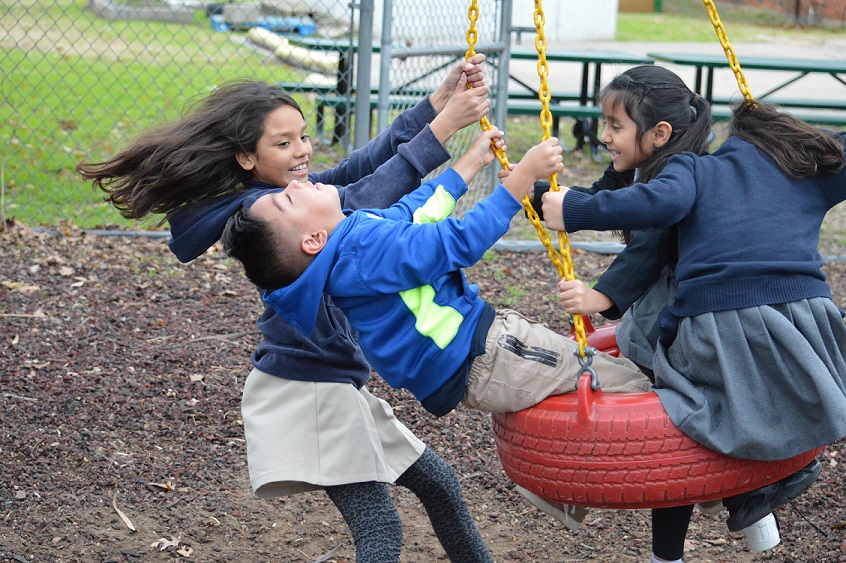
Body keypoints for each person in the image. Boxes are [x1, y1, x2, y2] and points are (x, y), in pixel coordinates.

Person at [78, 57, 501, 562]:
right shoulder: (262, 213)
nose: (301, 152)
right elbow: (366, 193)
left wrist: (436, 103)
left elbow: (359, 168)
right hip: (308, 391)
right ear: (245, 159)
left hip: (332, 383)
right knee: (381, 531)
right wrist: (446, 126)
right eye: (283, 144)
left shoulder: (288, 195)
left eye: (303, 136)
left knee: (440, 485)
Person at [542, 97, 846, 562]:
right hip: (806, 329)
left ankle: (732, 505)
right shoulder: (807, 169)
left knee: (681, 403)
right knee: (758, 392)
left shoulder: (695, 170)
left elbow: (655, 203)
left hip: (719, 326)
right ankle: (760, 488)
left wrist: (576, 209)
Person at [221, 129, 652, 425]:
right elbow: (457, 241)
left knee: (589, 372)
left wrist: (471, 162)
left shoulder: (352, 239)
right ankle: (686, 442)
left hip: (482, 348)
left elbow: (415, 211)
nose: (295, 185)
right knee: (619, 382)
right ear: (314, 239)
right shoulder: (360, 254)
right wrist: (523, 177)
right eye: (286, 202)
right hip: (485, 356)